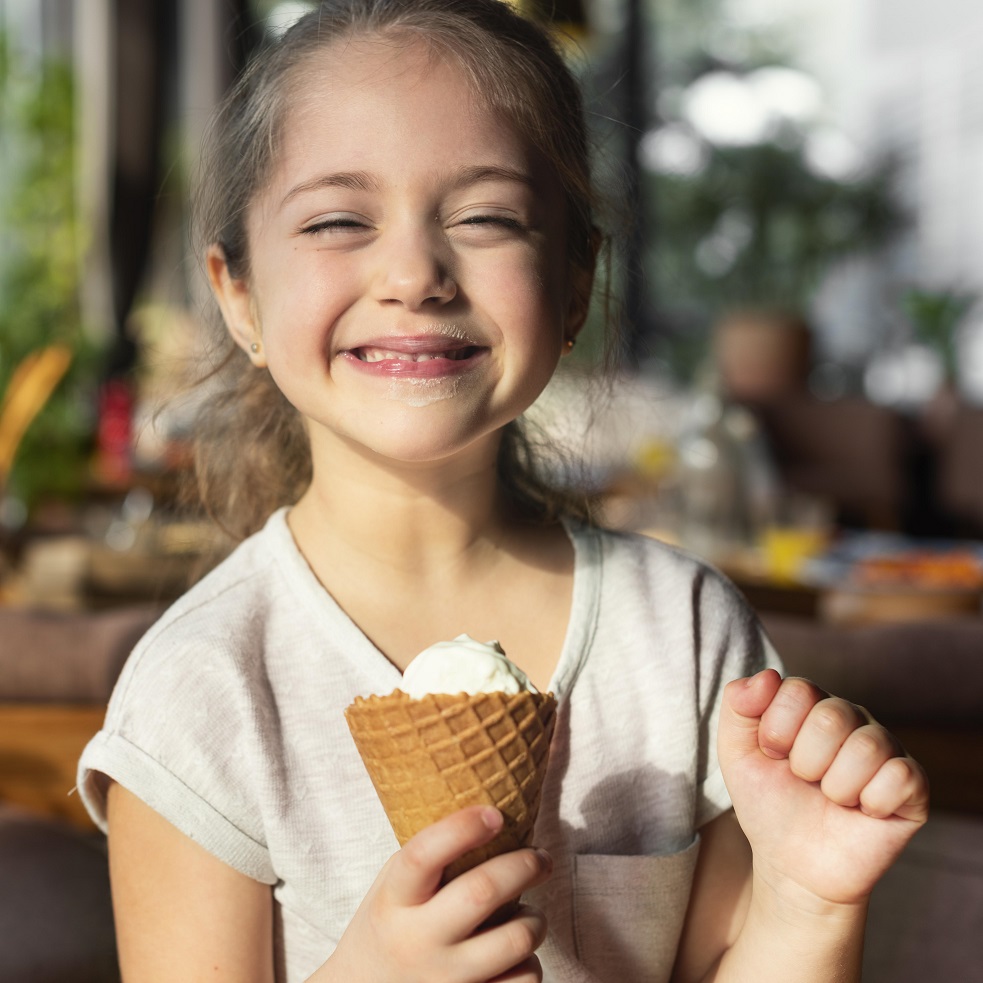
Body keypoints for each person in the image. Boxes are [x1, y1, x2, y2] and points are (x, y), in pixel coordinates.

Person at [77, 2, 929, 981]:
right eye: (336, 219)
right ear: (239, 297)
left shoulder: (684, 634)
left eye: (483, 216)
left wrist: (807, 903)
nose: (413, 273)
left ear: (572, 287)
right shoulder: (204, 687)